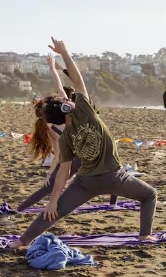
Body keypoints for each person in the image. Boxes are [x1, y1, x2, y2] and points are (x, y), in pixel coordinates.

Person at [8, 37, 157, 249]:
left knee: (56, 211)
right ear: (65, 106)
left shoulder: (65, 137)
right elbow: (77, 79)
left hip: (86, 182)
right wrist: (64, 52)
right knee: (150, 195)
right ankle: (145, 236)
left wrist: (53, 201)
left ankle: (21, 240)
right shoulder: (86, 112)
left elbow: (64, 172)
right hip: (115, 177)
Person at [16, 54, 117, 212]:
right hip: (90, 153)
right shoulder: (66, 111)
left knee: (49, 187)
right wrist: (53, 68)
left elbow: (58, 154)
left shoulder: (52, 125)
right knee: (114, 174)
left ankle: (20, 209)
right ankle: (112, 204)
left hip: (76, 157)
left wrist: (50, 175)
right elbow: (61, 86)